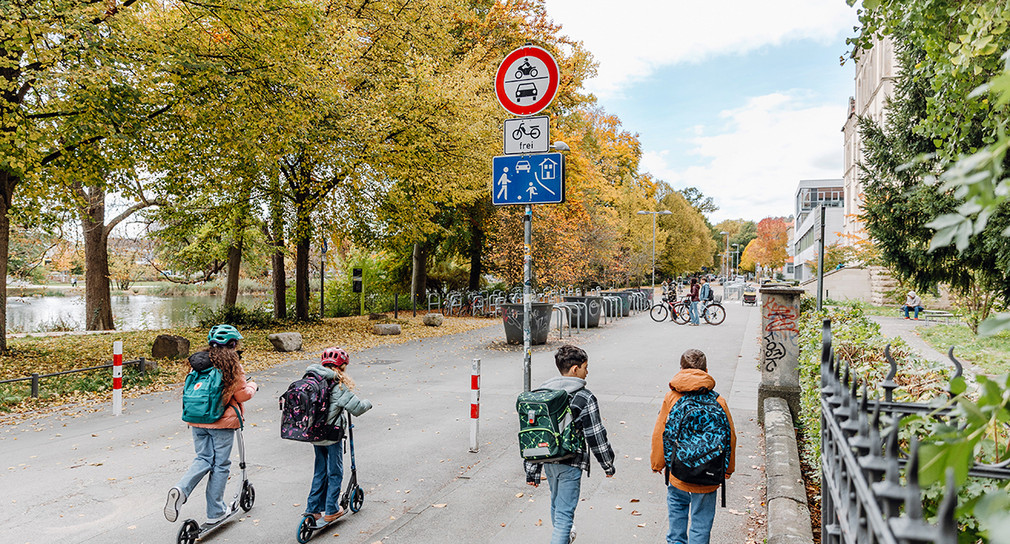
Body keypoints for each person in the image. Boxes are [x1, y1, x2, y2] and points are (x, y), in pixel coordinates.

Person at [165, 324, 257, 525]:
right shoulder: (231, 366)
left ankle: (181, 489)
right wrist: (252, 385)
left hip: (197, 420)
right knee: (221, 465)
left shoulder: (198, 363)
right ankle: (215, 511)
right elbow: (242, 394)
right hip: (221, 423)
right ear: (232, 344)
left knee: (203, 458)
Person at [526, 344, 616, 544]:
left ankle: (565, 537)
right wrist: (608, 465)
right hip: (571, 462)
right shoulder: (583, 396)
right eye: (585, 367)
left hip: (549, 461)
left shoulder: (542, 394)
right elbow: (596, 435)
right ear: (575, 369)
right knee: (565, 515)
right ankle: (563, 537)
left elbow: (533, 435)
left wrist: (532, 470)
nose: (587, 372)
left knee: (558, 505)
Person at [651, 349, 736, 544]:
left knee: (677, 511)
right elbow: (730, 436)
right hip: (709, 473)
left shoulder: (672, 397)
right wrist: (727, 468)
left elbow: (660, 431)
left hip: (678, 470)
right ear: (706, 370)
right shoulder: (718, 400)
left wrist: (658, 463)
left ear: (681, 369)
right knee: (701, 521)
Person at [304, 347, 372, 526]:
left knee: (319, 471)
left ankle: (313, 509)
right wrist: (368, 403)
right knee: (334, 472)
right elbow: (357, 408)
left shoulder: (311, 379)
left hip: (314, 434)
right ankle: (331, 509)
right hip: (331, 435)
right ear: (341, 367)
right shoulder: (337, 384)